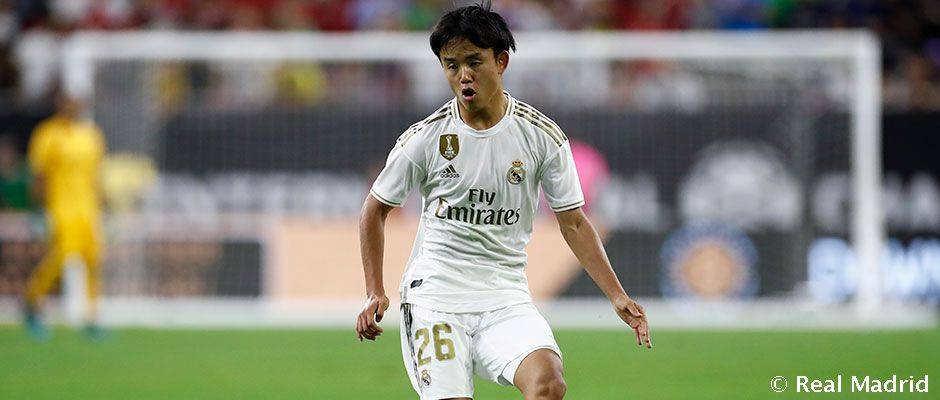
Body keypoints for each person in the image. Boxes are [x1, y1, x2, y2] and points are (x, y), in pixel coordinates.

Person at [356, 3, 651, 399]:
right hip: (436, 300)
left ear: (501, 61)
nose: (463, 75)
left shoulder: (541, 137)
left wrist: (616, 294)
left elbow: (574, 223)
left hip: (504, 296)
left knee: (548, 383)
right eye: (451, 65)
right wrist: (375, 290)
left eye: (473, 62)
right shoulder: (425, 139)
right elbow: (374, 210)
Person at [24, 94, 106, 340]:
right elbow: (39, 175)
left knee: (93, 261)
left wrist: (105, 206)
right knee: (59, 259)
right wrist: (38, 210)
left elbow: (96, 174)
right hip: (61, 208)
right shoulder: (47, 134)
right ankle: (32, 302)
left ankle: (91, 317)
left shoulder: (91, 135)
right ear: (59, 106)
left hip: (88, 209)